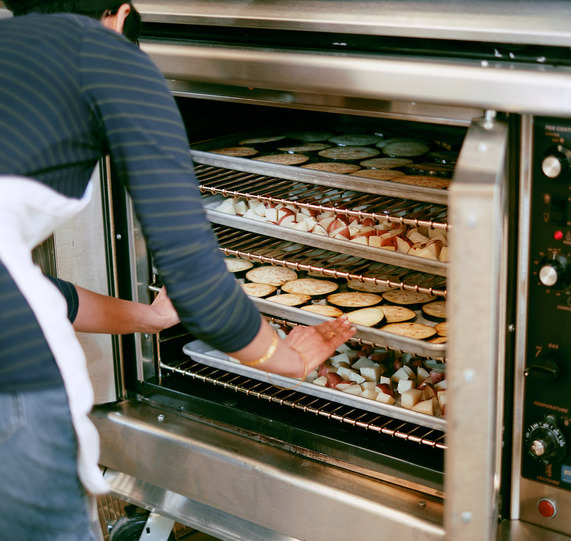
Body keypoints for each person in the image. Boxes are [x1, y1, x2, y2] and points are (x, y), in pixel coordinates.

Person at [0, 1, 356, 540]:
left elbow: (26, 285)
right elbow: (194, 274)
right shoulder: (103, 56)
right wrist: (285, 359)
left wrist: (148, 318)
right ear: (121, 15)